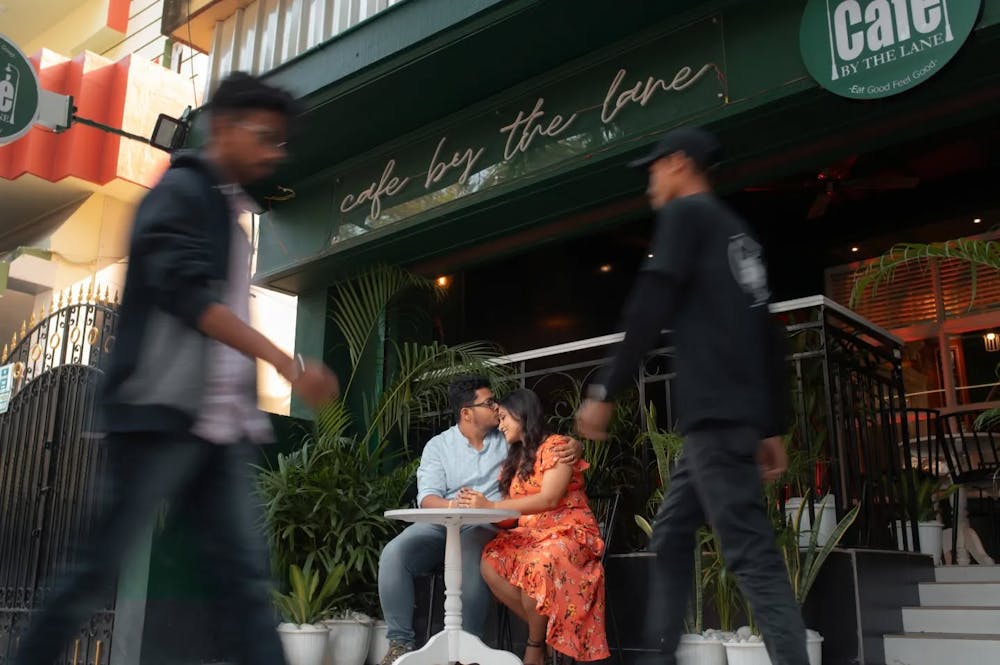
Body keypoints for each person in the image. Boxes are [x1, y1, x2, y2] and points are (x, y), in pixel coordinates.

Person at [13, 72, 340, 665]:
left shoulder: (224, 207)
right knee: (96, 569)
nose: (273, 153)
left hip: (212, 426)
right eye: (264, 137)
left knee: (241, 582)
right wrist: (288, 365)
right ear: (224, 126)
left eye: (279, 142)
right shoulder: (181, 194)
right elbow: (192, 301)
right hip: (159, 418)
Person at [575, 126, 807, 665]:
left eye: (654, 167)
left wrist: (607, 386)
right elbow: (767, 332)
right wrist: (771, 425)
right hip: (731, 420)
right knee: (674, 529)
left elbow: (652, 302)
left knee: (752, 555)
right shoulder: (738, 233)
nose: (650, 181)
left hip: (714, 419)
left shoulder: (686, 216)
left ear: (679, 163)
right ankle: (660, 654)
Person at [376, 376, 580, 665]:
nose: (497, 407)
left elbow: (544, 444)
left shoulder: (507, 437)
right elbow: (427, 498)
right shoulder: (439, 446)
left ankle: (468, 651)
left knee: (473, 558)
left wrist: (574, 444)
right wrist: (455, 505)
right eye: (488, 403)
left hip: (487, 522)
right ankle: (400, 644)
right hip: (442, 521)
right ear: (466, 412)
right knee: (394, 554)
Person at [459, 388, 610, 665]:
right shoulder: (516, 460)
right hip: (531, 535)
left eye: (504, 417)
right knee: (491, 561)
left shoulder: (557, 446)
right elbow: (513, 514)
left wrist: (491, 507)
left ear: (522, 414)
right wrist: (480, 511)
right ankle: (548, 638)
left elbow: (549, 498)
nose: (501, 424)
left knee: (538, 564)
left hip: (568, 532)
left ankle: (535, 646)